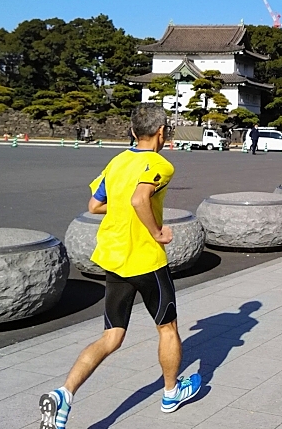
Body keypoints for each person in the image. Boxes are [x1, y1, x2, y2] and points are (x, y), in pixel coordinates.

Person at [38, 103, 200, 429]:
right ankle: (171, 393)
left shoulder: (117, 162)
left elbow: (95, 204)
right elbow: (141, 198)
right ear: (162, 133)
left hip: (114, 259)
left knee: (112, 335)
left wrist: (122, 211)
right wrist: (157, 231)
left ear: (131, 131)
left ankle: (65, 393)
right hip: (146, 260)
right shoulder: (160, 164)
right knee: (167, 327)